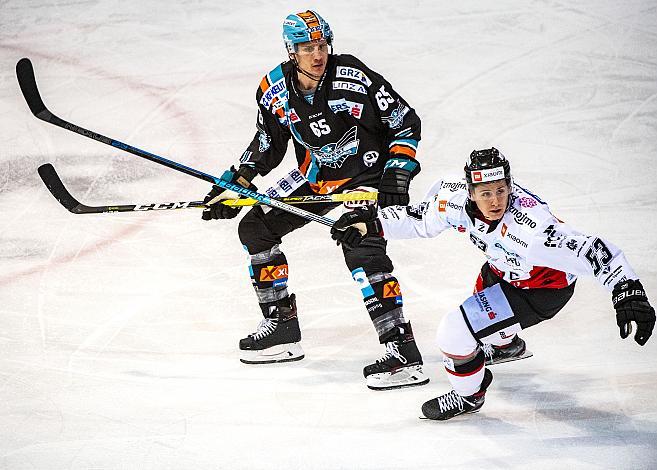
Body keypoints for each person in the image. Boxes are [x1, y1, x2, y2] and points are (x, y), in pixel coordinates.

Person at [331, 147, 655, 418]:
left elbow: (591, 249)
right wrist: (370, 224)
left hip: (541, 291)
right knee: (480, 314)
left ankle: (469, 395)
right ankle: (507, 343)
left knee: (454, 333)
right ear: (470, 192)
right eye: (486, 193)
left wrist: (628, 292)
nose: (495, 201)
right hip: (499, 272)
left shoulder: (532, 228)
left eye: (501, 191)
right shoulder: (454, 198)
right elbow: (419, 220)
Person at [201, 10, 429, 390]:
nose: (318, 55)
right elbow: (267, 143)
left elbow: (405, 122)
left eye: (322, 45)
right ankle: (282, 327)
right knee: (256, 227)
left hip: (368, 179)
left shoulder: (353, 76)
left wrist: (397, 173)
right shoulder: (274, 89)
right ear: (292, 51)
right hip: (319, 179)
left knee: (361, 247)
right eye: (308, 48)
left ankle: (402, 350)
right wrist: (235, 183)